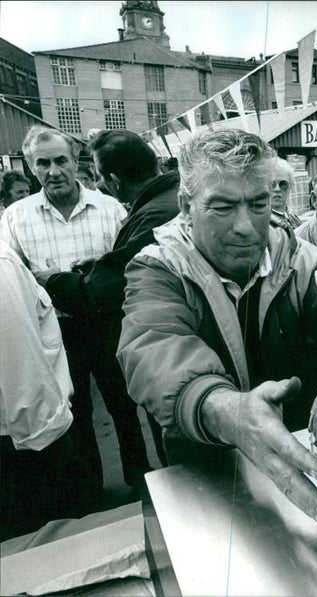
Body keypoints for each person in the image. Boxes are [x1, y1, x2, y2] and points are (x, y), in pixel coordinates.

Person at [117, 129, 317, 526]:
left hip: (303, 461)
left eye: (258, 204)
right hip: (208, 475)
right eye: (222, 206)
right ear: (187, 206)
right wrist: (223, 407)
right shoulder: (159, 267)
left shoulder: (302, 259)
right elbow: (152, 346)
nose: (246, 227)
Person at [0, 126, 130, 501]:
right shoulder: (15, 217)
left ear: (76, 162)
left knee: (125, 402)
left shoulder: (110, 208)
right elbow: (13, 281)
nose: (53, 171)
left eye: (61, 160)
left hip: (111, 325)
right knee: (74, 413)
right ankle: (90, 493)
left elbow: (128, 268)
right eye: (43, 163)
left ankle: (142, 479)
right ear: (30, 167)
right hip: (59, 335)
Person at [43, 129, 182, 471]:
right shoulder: (166, 199)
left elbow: (107, 288)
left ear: (115, 181)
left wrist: (54, 280)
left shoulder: (154, 213)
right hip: (167, 343)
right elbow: (126, 262)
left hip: (168, 347)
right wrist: (100, 266)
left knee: (182, 455)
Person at [0, 242, 96, 540]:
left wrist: (40, 441)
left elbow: (19, 359)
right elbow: (19, 360)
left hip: (25, 446)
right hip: (26, 444)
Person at [269, 157, 303, 229]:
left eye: (283, 184)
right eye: (272, 184)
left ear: (290, 186)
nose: (277, 189)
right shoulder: (262, 223)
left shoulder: (294, 219)